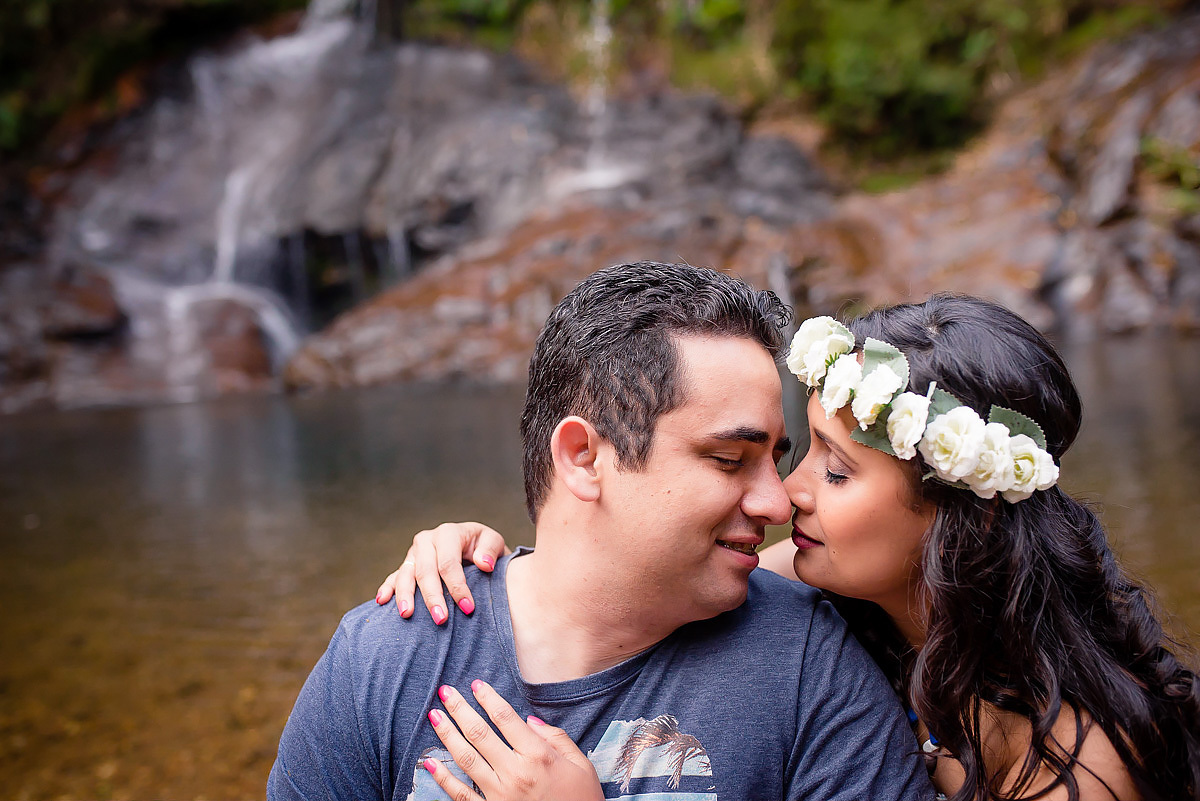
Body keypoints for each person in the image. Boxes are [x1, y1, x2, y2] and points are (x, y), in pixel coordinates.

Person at [382, 293, 1200, 801]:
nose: (785, 495)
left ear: (964, 517)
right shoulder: (827, 587)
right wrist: (477, 555)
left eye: (837, 473)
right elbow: (612, 569)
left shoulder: (1077, 766)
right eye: (799, 449)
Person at [269, 262, 935, 801]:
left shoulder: (805, 660)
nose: (776, 500)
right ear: (584, 457)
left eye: (775, 458)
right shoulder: (385, 659)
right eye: (731, 459)